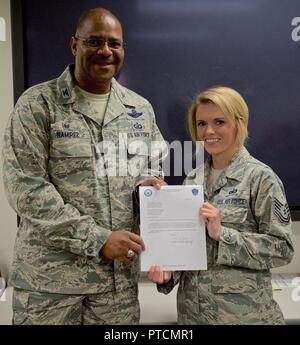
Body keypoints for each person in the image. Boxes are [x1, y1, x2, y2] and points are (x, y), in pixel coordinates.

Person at [2, 7, 167, 325]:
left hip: (115, 291)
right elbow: (26, 190)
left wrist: (149, 188)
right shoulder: (38, 106)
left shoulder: (139, 109)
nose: (105, 51)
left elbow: (154, 168)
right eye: (94, 41)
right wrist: (98, 239)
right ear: (74, 45)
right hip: (49, 289)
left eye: (114, 43)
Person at [148, 86, 294, 324]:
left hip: (244, 317)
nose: (209, 131)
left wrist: (222, 234)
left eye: (219, 122)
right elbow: (188, 249)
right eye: (201, 123)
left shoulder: (261, 178)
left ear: (240, 123)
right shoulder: (192, 179)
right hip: (192, 316)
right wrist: (167, 275)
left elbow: (283, 249)